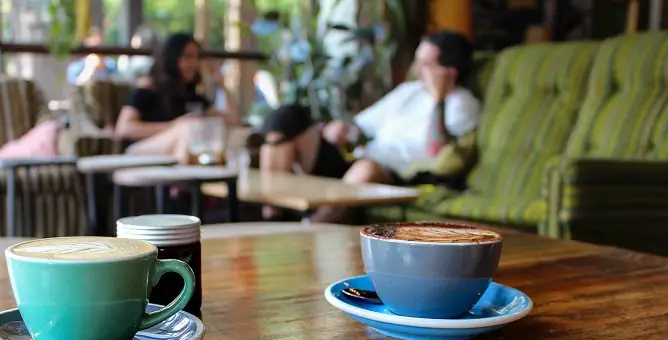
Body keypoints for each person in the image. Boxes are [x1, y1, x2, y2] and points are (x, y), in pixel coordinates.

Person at [258, 30, 481, 223]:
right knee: (285, 119)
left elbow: (437, 151)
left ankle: (311, 226)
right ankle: (272, 212)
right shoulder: (409, 92)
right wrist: (342, 128)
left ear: (450, 72)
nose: (415, 69)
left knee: (366, 169)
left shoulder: (461, 104)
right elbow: (362, 124)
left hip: (395, 173)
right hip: (357, 155)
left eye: (424, 64)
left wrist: (438, 99)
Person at [114, 32, 236, 161]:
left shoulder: (193, 97)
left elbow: (233, 121)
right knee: (187, 130)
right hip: (140, 152)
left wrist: (221, 85)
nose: (193, 64)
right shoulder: (148, 91)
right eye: (187, 57)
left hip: (179, 155)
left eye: (196, 58)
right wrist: (175, 126)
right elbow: (124, 129)